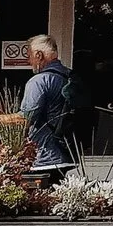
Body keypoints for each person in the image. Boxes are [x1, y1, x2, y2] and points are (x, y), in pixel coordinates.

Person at [21, 36, 78, 172]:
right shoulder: (70, 77)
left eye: (29, 56)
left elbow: (25, 118)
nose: (29, 62)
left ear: (38, 55)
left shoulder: (39, 81)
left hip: (45, 157)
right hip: (68, 154)